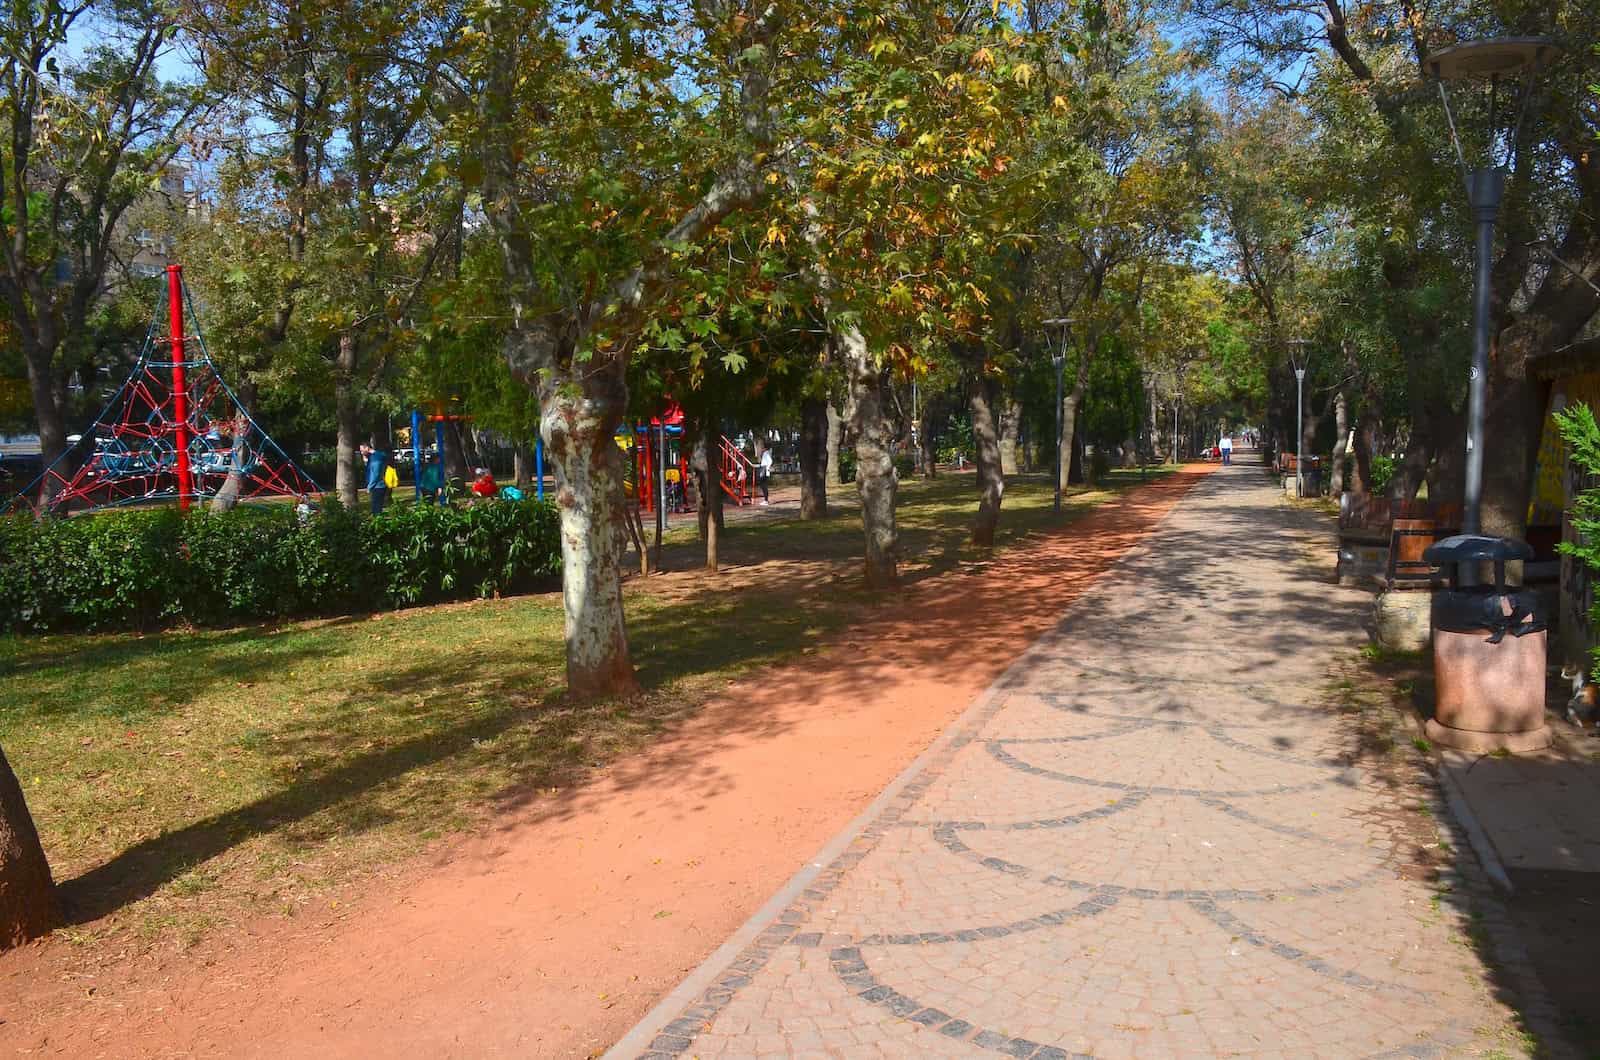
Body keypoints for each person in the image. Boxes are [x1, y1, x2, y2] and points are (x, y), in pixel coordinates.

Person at [362, 440, 391, 514]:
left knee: (376, 508)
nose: (361, 452)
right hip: (378, 485)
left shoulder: (376, 457)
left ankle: (379, 523)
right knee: (376, 508)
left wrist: (370, 486)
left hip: (377, 486)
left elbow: (375, 473)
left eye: (362, 450)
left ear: (367, 448)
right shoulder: (373, 457)